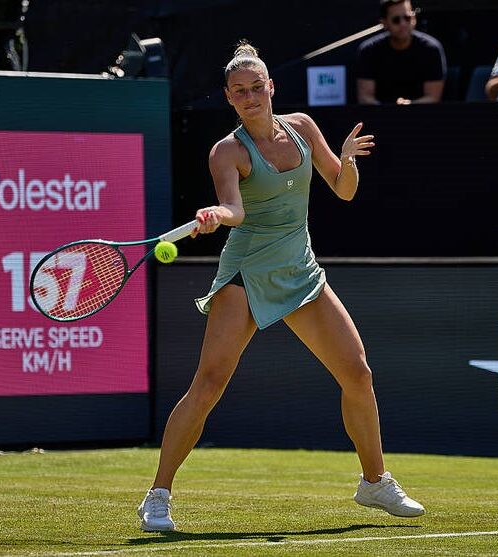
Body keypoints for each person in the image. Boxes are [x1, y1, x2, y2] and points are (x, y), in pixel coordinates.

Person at [137, 41, 426, 532]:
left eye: (257, 88)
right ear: (229, 98)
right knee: (208, 386)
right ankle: (157, 496)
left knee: (357, 373)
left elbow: (344, 189)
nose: (250, 98)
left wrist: (348, 159)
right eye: (239, 92)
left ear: (271, 88)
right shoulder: (226, 151)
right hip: (247, 274)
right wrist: (215, 215)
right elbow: (237, 210)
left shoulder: (303, 128)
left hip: (300, 269)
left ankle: (374, 482)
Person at [355, 0, 446, 105]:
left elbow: (433, 97)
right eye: (396, 20)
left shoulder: (431, 49)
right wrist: (389, 111)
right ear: (384, 23)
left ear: (414, 18)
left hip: (420, 115)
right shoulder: (368, 50)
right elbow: (365, 97)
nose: (403, 24)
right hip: (381, 115)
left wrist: (408, 105)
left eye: (407, 18)